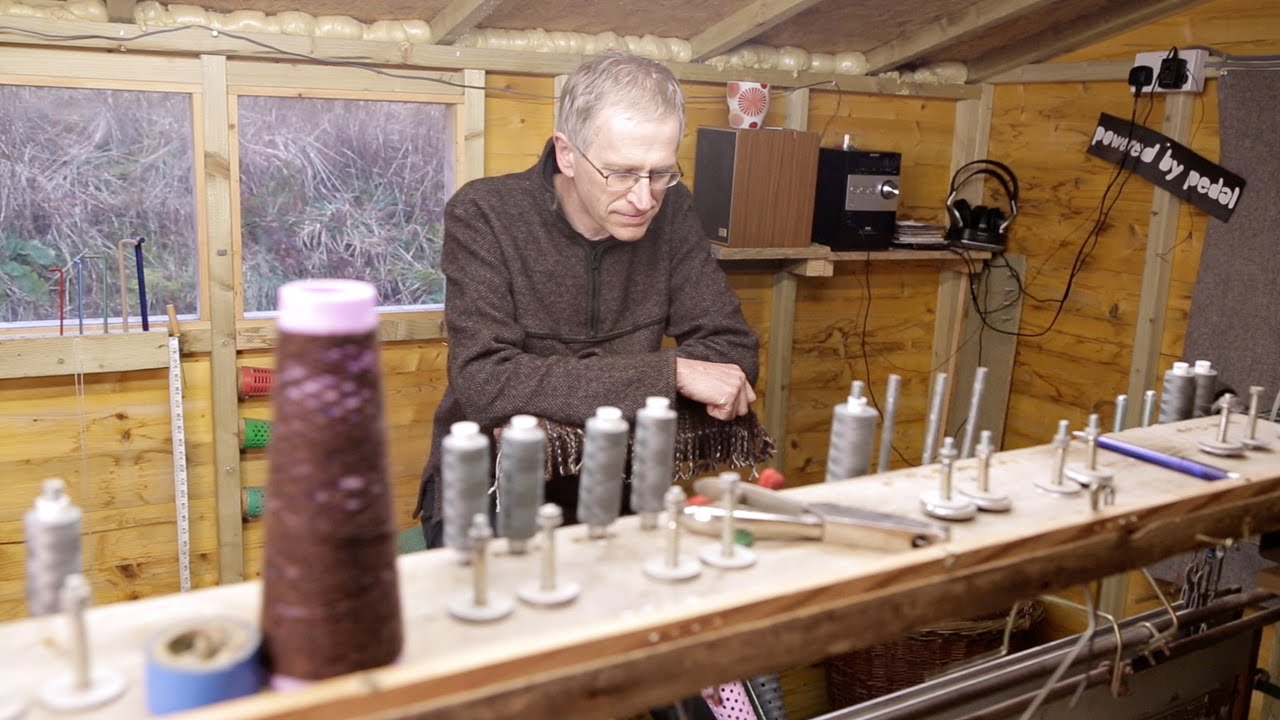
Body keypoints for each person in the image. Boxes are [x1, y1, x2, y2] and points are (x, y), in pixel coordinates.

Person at [413, 50, 761, 548]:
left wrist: (553, 391)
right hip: (484, 488)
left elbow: (732, 354)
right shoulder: (483, 213)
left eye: (660, 172)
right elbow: (485, 382)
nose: (644, 199)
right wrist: (672, 374)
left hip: (619, 481)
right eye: (621, 174)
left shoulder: (673, 210)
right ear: (567, 153)